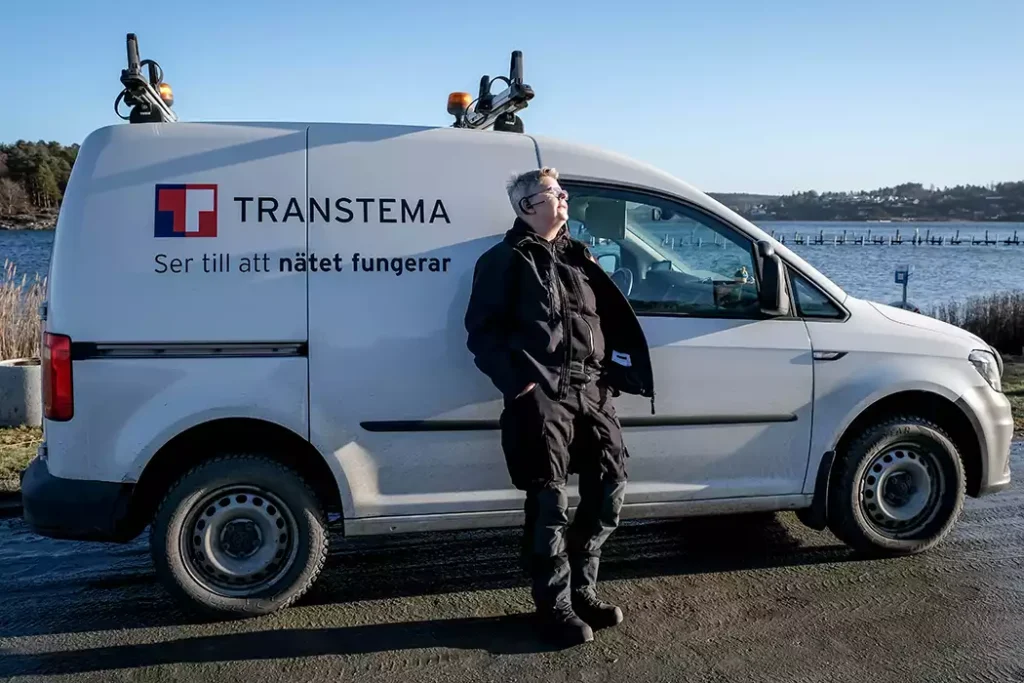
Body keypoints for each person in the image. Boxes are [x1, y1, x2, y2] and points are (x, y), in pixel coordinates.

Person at [464, 167, 655, 646]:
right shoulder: (505, 259)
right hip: (542, 394)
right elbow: (481, 334)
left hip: (593, 391)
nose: (564, 196)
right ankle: (555, 605)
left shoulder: (578, 255)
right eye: (553, 192)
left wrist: (614, 375)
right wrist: (519, 385)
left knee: (609, 488)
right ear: (527, 206)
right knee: (549, 502)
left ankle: (583, 590)